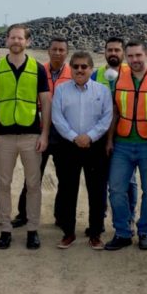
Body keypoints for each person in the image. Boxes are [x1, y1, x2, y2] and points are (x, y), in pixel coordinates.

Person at [0, 24, 51, 250]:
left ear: (27, 42)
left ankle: (32, 229)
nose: (16, 41)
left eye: (20, 38)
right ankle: (5, 229)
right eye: (12, 37)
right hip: (3, 137)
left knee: (33, 184)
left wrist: (45, 133)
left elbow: (46, 103)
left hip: (31, 136)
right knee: (3, 184)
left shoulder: (38, 69)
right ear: (7, 40)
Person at [104, 40, 147, 251]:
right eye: (130, 56)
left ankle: (145, 230)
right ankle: (122, 232)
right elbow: (115, 111)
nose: (134, 60)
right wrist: (110, 140)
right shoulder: (117, 77)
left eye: (138, 55)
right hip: (122, 144)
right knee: (116, 190)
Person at [51, 51, 113, 249]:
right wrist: (73, 137)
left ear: (91, 69)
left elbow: (107, 118)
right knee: (68, 190)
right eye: (76, 66)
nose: (79, 70)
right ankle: (68, 233)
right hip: (68, 146)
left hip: (94, 147)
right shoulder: (61, 90)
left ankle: (95, 233)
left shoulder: (102, 91)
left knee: (97, 191)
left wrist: (90, 136)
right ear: (71, 68)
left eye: (84, 67)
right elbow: (57, 118)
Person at [12, 36, 70, 228]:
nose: (58, 53)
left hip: (63, 134)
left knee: (65, 179)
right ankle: (23, 214)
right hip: (39, 131)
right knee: (32, 176)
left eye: (62, 50)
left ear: (66, 53)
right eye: (54, 49)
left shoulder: (73, 73)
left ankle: (61, 217)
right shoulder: (36, 70)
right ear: (48, 51)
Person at [91, 36, 138, 229]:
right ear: (104, 52)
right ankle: (99, 217)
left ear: (124, 53)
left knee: (129, 181)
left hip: (125, 136)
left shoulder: (132, 74)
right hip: (100, 136)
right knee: (100, 179)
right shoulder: (96, 75)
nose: (113, 54)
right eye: (109, 50)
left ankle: (129, 217)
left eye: (117, 50)